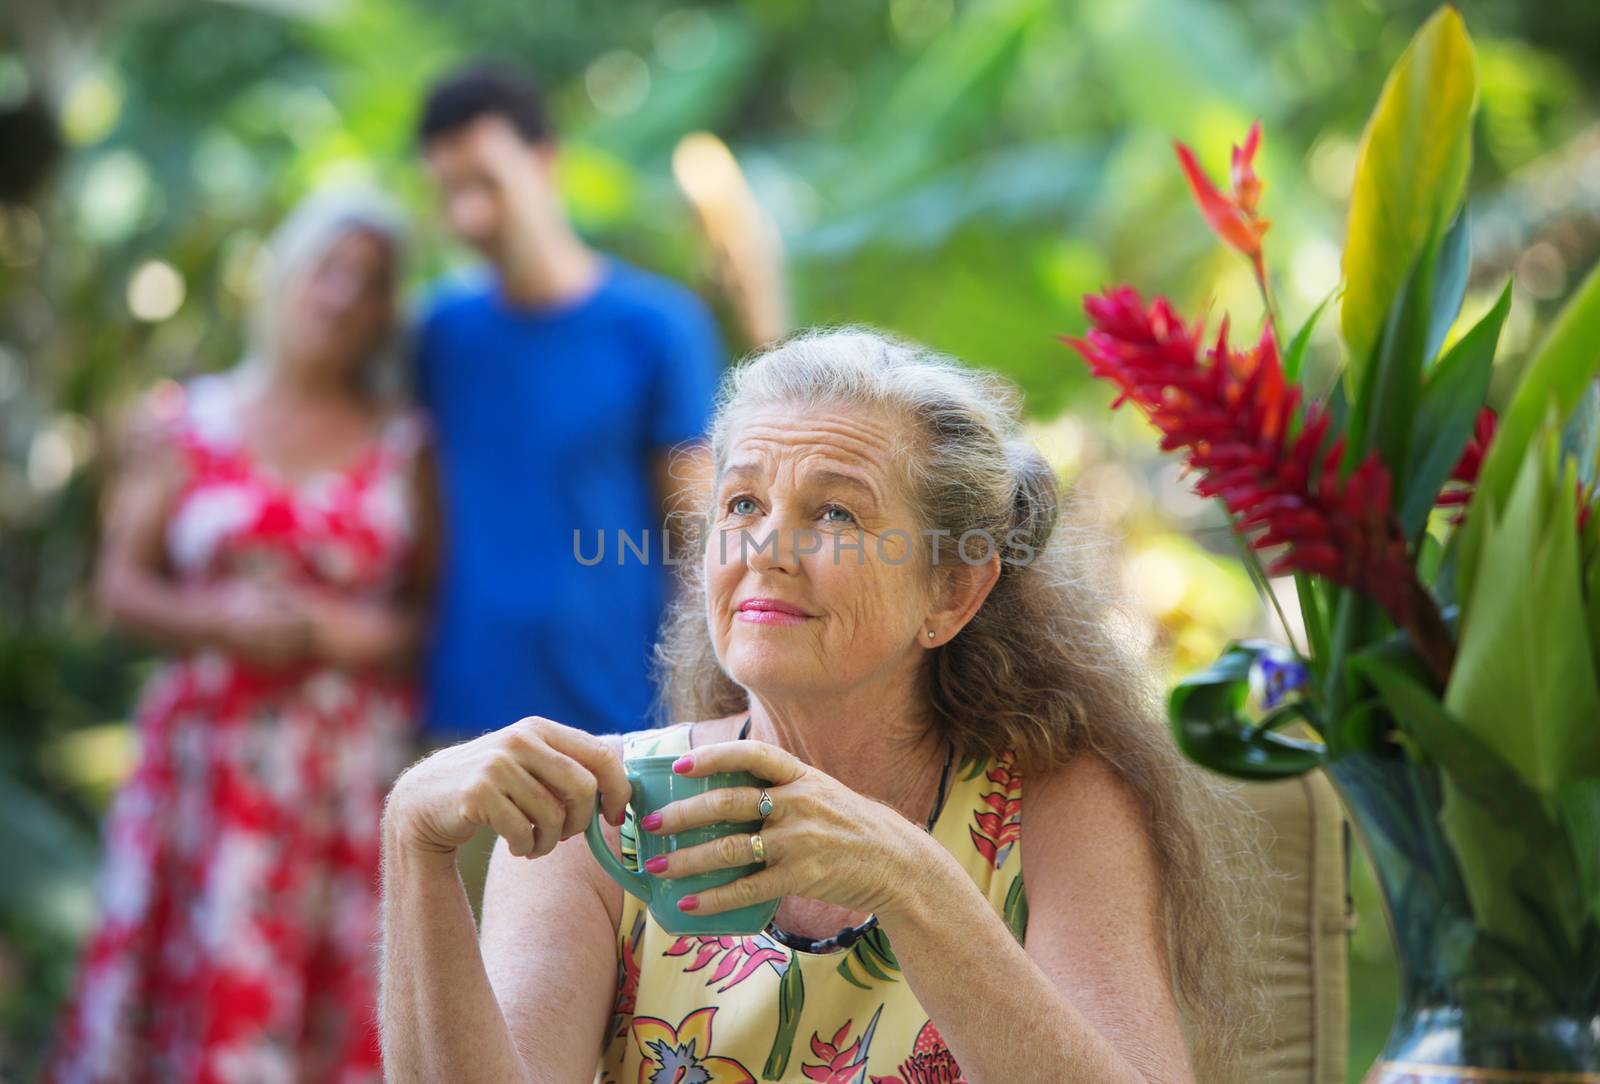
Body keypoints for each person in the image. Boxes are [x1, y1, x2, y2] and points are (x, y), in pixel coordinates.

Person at [378, 327, 1264, 1083]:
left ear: (951, 593)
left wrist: (909, 881)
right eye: (743, 503)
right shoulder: (601, 814)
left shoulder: (1050, 805)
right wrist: (415, 844)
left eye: (835, 513)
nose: (765, 547)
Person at [45, 186, 437, 1084]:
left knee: (333, 1005)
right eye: (328, 267)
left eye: (369, 281)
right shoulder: (189, 421)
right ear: (286, 273)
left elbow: (427, 618)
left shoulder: (406, 445)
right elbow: (116, 587)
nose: (342, 294)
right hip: (203, 767)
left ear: (386, 310)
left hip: (343, 775)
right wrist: (215, 620)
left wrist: (342, 634)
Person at [411, 63, 725, 755]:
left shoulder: (658, 326)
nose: (470, 216)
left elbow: (696, 532)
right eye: (449, 192)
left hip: (619, 719)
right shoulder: (439, 334)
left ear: (545, 162)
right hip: (467, 719)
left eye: (486, 183)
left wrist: (701, 709)